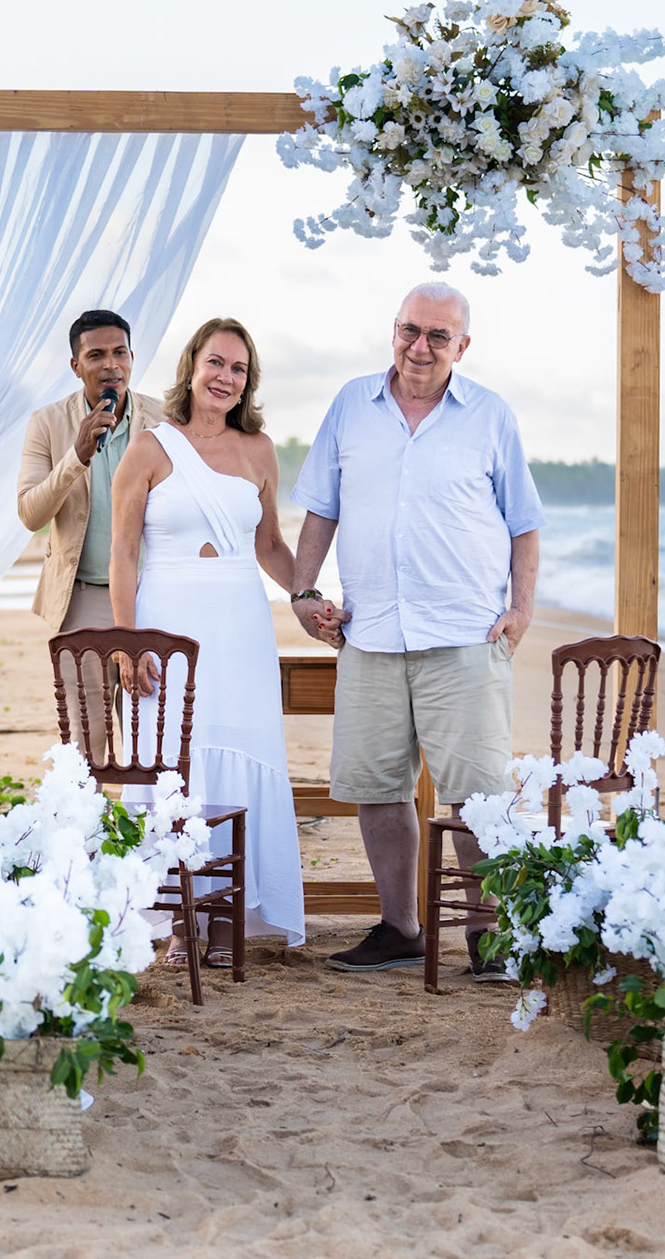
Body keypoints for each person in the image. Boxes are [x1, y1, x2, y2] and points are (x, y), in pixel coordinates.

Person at [287, 281, 545, 980]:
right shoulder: (350, 404)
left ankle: (488, 938)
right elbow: (319, 507)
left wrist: (520, 609)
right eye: (409, 330)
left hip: (464, 634)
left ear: (463, 345)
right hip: (368, 633)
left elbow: (524, 523)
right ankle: (401, 928)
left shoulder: (490, 416)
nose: (419, 346)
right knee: (376, 788)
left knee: (479, 795)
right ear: (392, 331)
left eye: (437, 335)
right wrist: (304, 591)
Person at [107, 317, 307, 966]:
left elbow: (270, 546)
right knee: (172, 760)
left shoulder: (260, 450)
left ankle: (229, 921)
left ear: (248, 382)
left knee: (239, 758)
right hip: (168, 627)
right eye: (216, 362)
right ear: (193, 365)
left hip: (241, 630)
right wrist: (129, 640)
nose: (225, 377)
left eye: (239, 369)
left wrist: (308, 598)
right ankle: (177, 920)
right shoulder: (149, 448)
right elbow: (123, 553)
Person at [17, 310, 167, 760]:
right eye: (96, 355)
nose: (110, 365)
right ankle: (92, 830)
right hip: (82, 599)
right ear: (75, 365)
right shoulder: (47, 423)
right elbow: (29, 512)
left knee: (152, 735)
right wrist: (76, 457)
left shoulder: (165, 420)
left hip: (153, 594)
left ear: (132, 357)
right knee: (90, 741)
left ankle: (154, 830)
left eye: (119, 352)